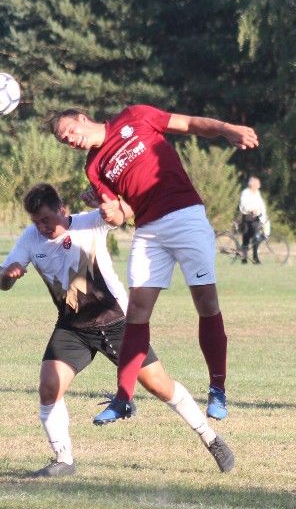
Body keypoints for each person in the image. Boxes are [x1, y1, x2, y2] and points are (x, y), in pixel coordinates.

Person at [0, 183, 234, 476]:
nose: (41, 227)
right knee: (49, 387)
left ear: (62, 210)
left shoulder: (88, 223)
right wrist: (8, 275)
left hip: (118, 323)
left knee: (159, 385)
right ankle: (63, 460)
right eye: (36, 222)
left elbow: (125, 213)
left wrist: (109, 202)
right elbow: (2, 278)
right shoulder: (30, 239)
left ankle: (210, 438)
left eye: (46, 219)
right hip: (73, 328)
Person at [48, 105, 258, 423]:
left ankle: (217, 389)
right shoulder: (94, 168)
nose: (71, 141)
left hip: (185, 215)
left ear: (81, 118)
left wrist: (226, 128)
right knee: (138, 311)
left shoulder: (134, 116)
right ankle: (123, 397)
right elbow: (123, 214)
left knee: (206, 302)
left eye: (70, 133)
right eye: (65, 142)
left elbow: (188, 122)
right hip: (148, 230)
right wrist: (110, 211)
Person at [238, 177, 267, 264]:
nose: (259, 186)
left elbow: (261, 204)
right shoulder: (245, 193)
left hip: (256, 218)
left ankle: (255, 258)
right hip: (247, 216)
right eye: (257, 184)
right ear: (252, 185)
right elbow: (243, 205)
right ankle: (244, 258)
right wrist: (251, 209)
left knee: (256, 237)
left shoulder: (257, 193)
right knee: (246, 237)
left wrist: (264, 215)